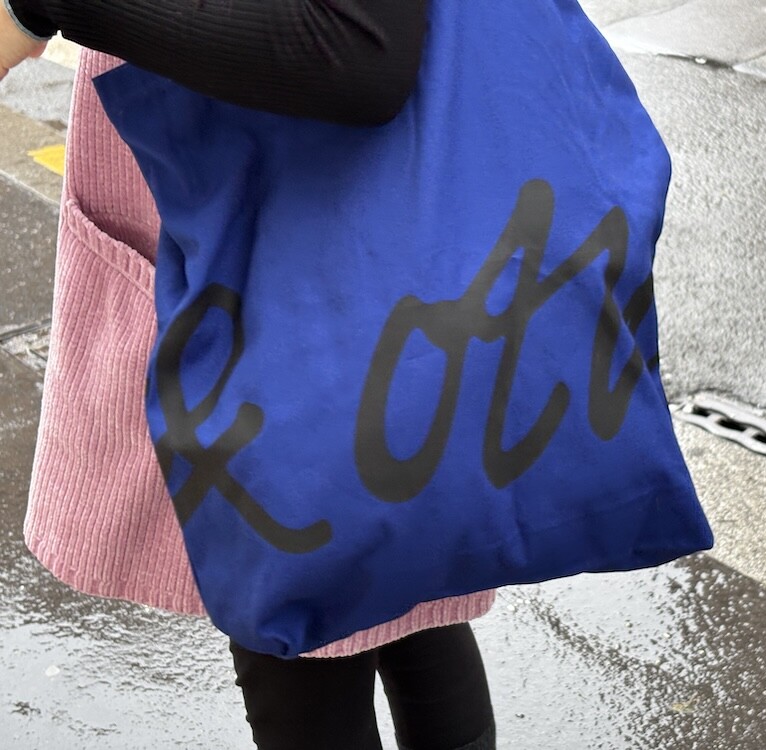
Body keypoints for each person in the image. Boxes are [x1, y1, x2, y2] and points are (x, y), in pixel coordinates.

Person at [1, 2, 497, 749]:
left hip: (277, 233)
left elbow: (357, 51)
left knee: (292, 603)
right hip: (303, 209)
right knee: (404, 582)